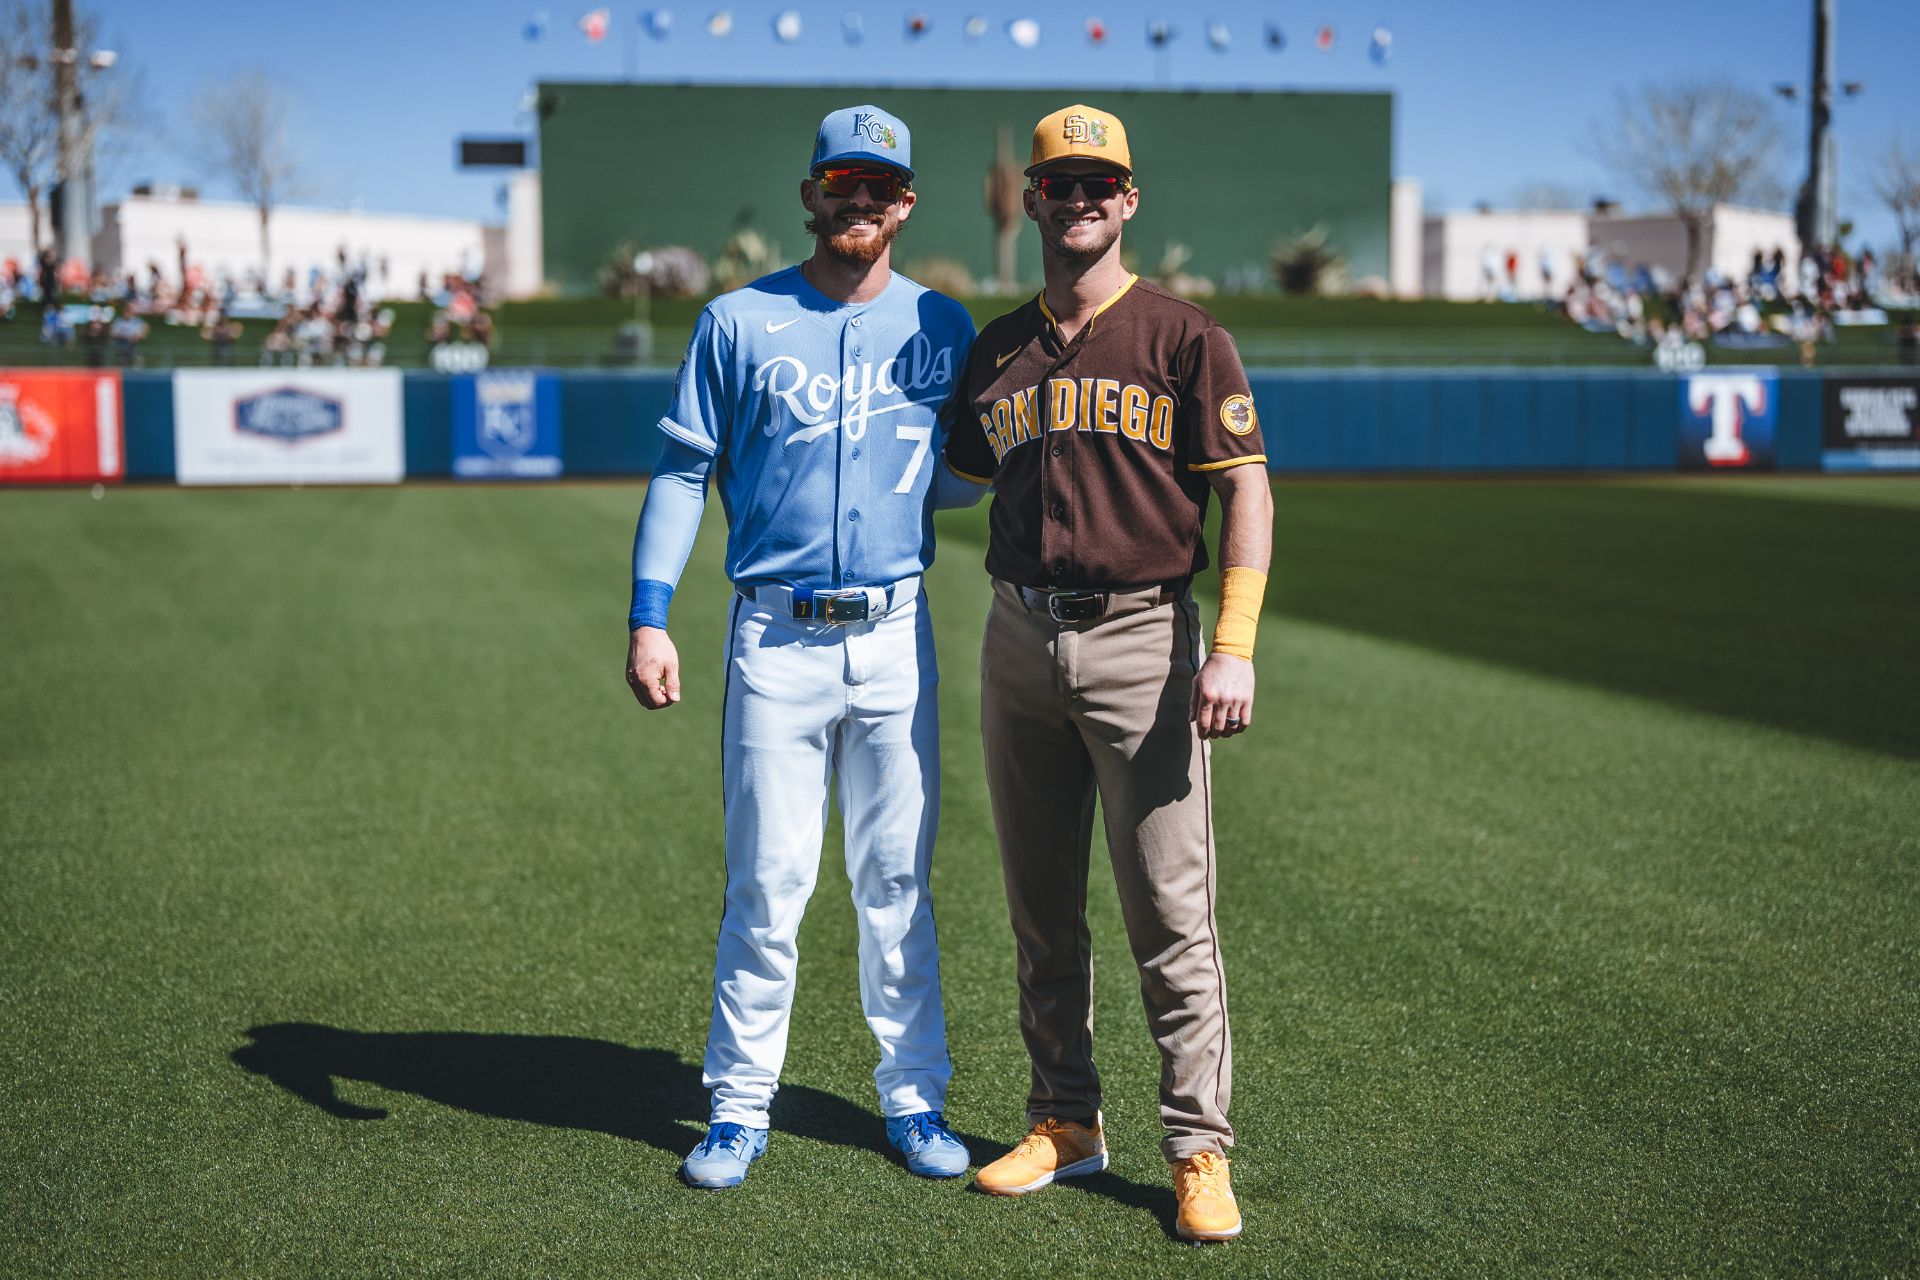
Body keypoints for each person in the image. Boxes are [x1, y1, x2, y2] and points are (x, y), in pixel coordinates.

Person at [623, 104, 977, 1190]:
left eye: (881, 184)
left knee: (895, 884)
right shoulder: (737, 319)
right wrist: (649, 613)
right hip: (775, 636)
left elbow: (960, 475)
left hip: (894, 633)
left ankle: (914, 1100)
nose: (859, 199)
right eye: (843, 180)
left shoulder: (944, 326)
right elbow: (685, 470)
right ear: (811, 192)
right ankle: (737, 1106)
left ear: (905, 202)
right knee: (770, 881)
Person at [941, 104, 1273, 1243]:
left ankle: (1198, 1146)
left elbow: (1249, 491)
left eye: (1099, 184)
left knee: (1171, 914)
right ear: (1031, 199)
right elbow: (951, 480)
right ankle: (1065, 1121)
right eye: (1059, 183)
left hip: (1144, 639)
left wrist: (1232, 642)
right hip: (1017, 636)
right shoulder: (996, 348)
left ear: (1129, 201)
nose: (1078, 200)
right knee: (1041, 909)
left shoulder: (1184, 336)